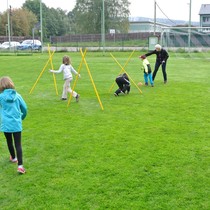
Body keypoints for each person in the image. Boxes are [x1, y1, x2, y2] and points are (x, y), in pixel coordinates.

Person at [0, 76, 27, 174]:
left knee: (9, 141)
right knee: (18, 144)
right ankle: (20, 166)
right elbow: (24, 108)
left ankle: (14, 158)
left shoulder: (1, 97)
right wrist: (22, 118)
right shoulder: (18, 96)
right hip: (16, 123)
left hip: (6, 124)